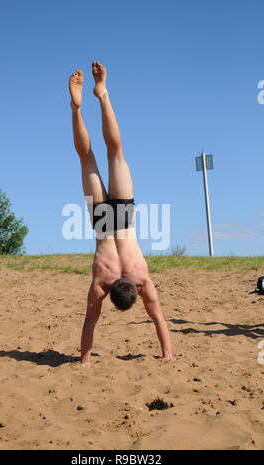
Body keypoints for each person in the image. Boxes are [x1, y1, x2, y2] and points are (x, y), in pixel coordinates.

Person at [68, 61, 173, 366]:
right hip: (102, 222)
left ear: (134, 292)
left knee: (116, 153)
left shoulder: (141, 279)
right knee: (86, 159)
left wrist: (169, 353)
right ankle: (76, 108)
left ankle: (103, 95)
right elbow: (89, 324)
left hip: (124, 217)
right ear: (110, 294)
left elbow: (159, 320)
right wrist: (84, 360)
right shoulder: (101, 283)